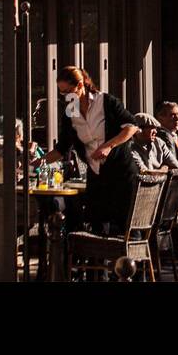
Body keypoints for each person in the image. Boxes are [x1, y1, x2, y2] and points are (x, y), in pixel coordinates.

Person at [37, 66, 140, 236]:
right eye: (62, 94)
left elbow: (132, 126)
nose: (66, 97)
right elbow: (63, 147)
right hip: (96, 173)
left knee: (124, 225)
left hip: (120, 171)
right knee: (96, 224)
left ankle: (127, 261)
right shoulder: (70, 112)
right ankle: (96, 262)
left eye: (68, 91)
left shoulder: (106, 102)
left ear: (80, 85)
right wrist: (38, 162)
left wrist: (108, 146)